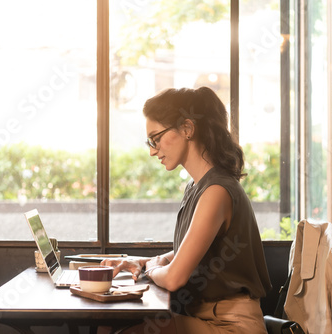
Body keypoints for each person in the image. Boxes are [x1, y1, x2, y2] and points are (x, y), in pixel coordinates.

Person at [101, 87, 272, 333]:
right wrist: (143, 261)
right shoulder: (197, 186)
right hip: (202, 317)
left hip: (230, 325)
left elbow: (173, 278)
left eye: (156, 138)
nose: (152, 150)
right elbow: (188, 253)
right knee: (109, 324)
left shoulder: (216, 192)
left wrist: (153, 268)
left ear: (187, 129)